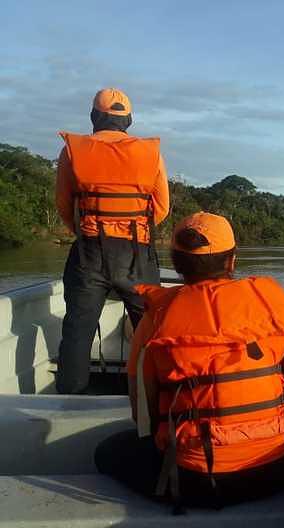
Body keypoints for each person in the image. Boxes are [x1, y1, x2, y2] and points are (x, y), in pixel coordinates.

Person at [95, 212, 284, 509]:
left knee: (106, 451)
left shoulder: (155, 320)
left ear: (176, 263)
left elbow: (144, 418)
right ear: (232, 260)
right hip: (277, 471)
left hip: (198, 482)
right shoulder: (269, 306)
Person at [55, 87, 170, 394]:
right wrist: (134, 232)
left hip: (89, 251)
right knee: (150, 329)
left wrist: (86, 232)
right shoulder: (151, 153)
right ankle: (155, 399)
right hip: (136, 253)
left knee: (78, 329)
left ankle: (70, 400)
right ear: (128, 120)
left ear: (94, 116)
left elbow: (64, 205)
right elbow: (161, 208)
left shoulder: (72, 151)